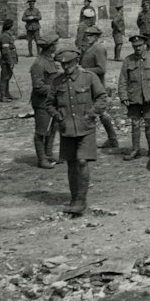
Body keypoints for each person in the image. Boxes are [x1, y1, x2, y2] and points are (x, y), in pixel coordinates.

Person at [46, 41, 107, 216]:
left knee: (82, 161)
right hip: (67, 129)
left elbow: (102, 97)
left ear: (77, 61)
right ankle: (74, 199)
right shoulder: (57, 81)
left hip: (85, 128)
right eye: (62, 64)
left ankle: (81, 200)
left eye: (69, 63)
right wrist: (57, 116)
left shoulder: (89, 77)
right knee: (71, 164)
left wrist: (91, 113)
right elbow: (49, 103)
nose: (65, 67)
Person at [118, 33, 150, 161]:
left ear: (145, 45)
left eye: (140, 45)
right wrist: (123, 96)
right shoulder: (128, 60)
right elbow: (123, 80)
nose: (137, 48)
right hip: (134, 97)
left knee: (149, 123)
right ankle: (135, 149)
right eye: (135, 46)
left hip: (149, 96)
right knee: (135, 123)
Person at [80, 24, 120, 150]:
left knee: (97, 112)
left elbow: (101, 69)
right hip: (88, 85)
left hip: (96, 86)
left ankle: (106, 140)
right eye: (87, 35)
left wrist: (84, 70)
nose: (88, 38)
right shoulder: (89, 48)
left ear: (96, 37)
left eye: (91, 36)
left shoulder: (99, 49)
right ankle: (112, 139)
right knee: (101, 113)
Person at [29, 33, 61, 168]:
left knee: (52, 129)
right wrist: (56, 89)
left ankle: (48, 154)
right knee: (41, 132)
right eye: (55, 44)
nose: (57, 46)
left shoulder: (50, 60)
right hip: (42, 104)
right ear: (50, 47)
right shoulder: (39, 63)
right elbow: (38, 87)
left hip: (51, 102)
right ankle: (41, 159)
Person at [0, 18, 18, 101]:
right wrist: (10, 61)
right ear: (10, 26)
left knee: (8, 77)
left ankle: (7, 93)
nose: (14, 27)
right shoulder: (5, 36)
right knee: (4, 78)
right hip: (6, 60)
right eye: (13, 25)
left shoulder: (8, 35)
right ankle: (3, 96)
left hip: (9, 60)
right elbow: (6, 51)